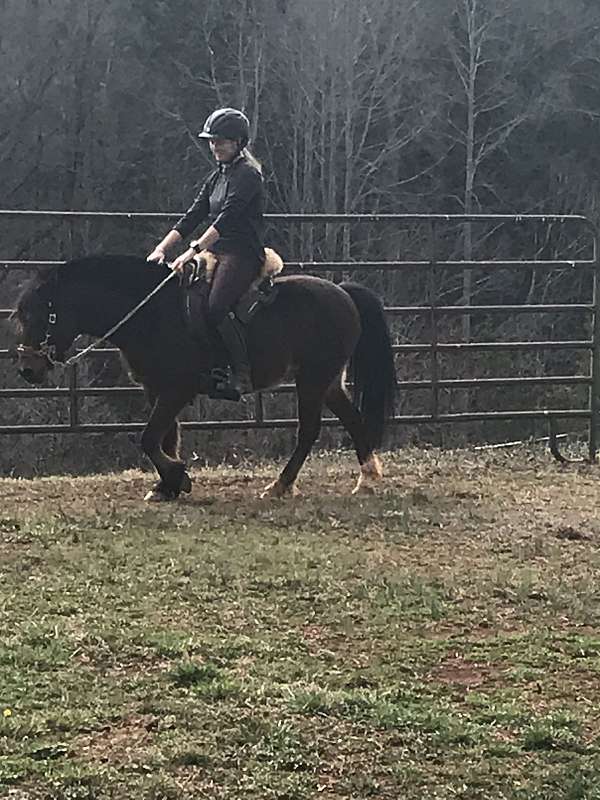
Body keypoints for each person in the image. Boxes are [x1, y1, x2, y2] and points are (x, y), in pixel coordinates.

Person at [147, 107, 265, 400]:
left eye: (220, 141)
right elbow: (192, 215)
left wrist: (192, 250)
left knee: (216, 306)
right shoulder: (217, 177)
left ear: (238, 142)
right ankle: (207, 365)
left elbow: (226, 219)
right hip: (216, 250)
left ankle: (241, 372)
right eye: (212, 141)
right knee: (187, 302)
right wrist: (161, 249)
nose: (214, 146)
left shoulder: (248, 176)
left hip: (241, 253)